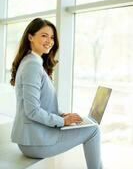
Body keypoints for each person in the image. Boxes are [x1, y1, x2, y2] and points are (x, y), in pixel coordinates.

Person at [10, 18, 102, 169]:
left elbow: (41, 104)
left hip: (33, 138)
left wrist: (61, 115)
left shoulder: (33, 61)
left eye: (52, 37)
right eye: (44, 35)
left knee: (90, 127)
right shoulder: (32, 65)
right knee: (94, 130)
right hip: (35, 142)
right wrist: (63, 122)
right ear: (30, 37)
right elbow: (32, 110)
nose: (49, 41)